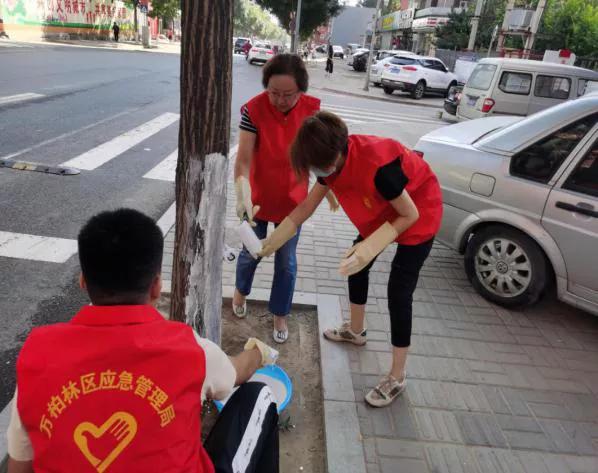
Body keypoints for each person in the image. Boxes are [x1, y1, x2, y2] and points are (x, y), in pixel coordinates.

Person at [6, 209, 281, 473]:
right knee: (260, 396)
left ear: (82, 281)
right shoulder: (189, 349)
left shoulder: (38, 353)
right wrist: (259, 353)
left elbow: (19, 464)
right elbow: (238, 372)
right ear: (157, 285)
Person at [258, 112, 443, 407]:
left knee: (398, 292)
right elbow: (307, 206)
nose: (318, 173)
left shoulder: (379, 167)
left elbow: (410, 214)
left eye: (318, 166)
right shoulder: (331, 164)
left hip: (419, 209)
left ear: (335, 154)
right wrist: (274, 239)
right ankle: (356, 331)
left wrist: (373, 245)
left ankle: (397, 375)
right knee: (356, 264)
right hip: (385, 210)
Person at [233, 53, 325, 344]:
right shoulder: (254, 110)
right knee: (250, 253)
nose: (280, 100)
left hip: (293, 203)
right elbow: (244, 159)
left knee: (286, 261)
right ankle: (240, 291)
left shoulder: (312, 112)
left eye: (288, 94)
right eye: (273, 93)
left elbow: (319, 157)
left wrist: (329, 183)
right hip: (257, 198)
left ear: (301, 90)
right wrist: (242, 190)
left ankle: (280, 313)